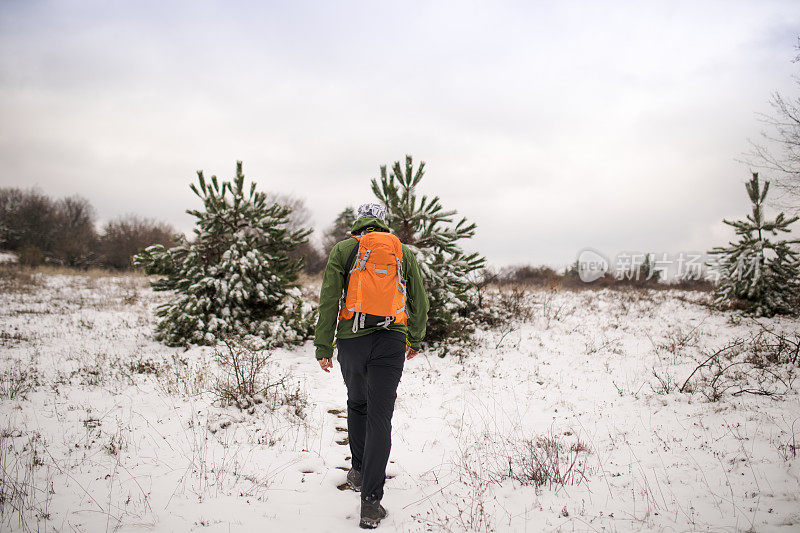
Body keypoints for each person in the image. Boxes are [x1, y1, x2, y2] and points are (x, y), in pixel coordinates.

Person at [315, 203, 429, 529]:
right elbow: (419, 300)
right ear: (382, 222)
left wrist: (324, 345)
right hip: (391, 341)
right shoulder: (402, 252)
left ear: (359, 222)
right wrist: (415, 339)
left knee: (357, 403)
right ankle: (370, 503)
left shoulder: (344, 249)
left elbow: (329, 299)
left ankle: (359, 470)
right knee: (380, 417)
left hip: (351, 341)